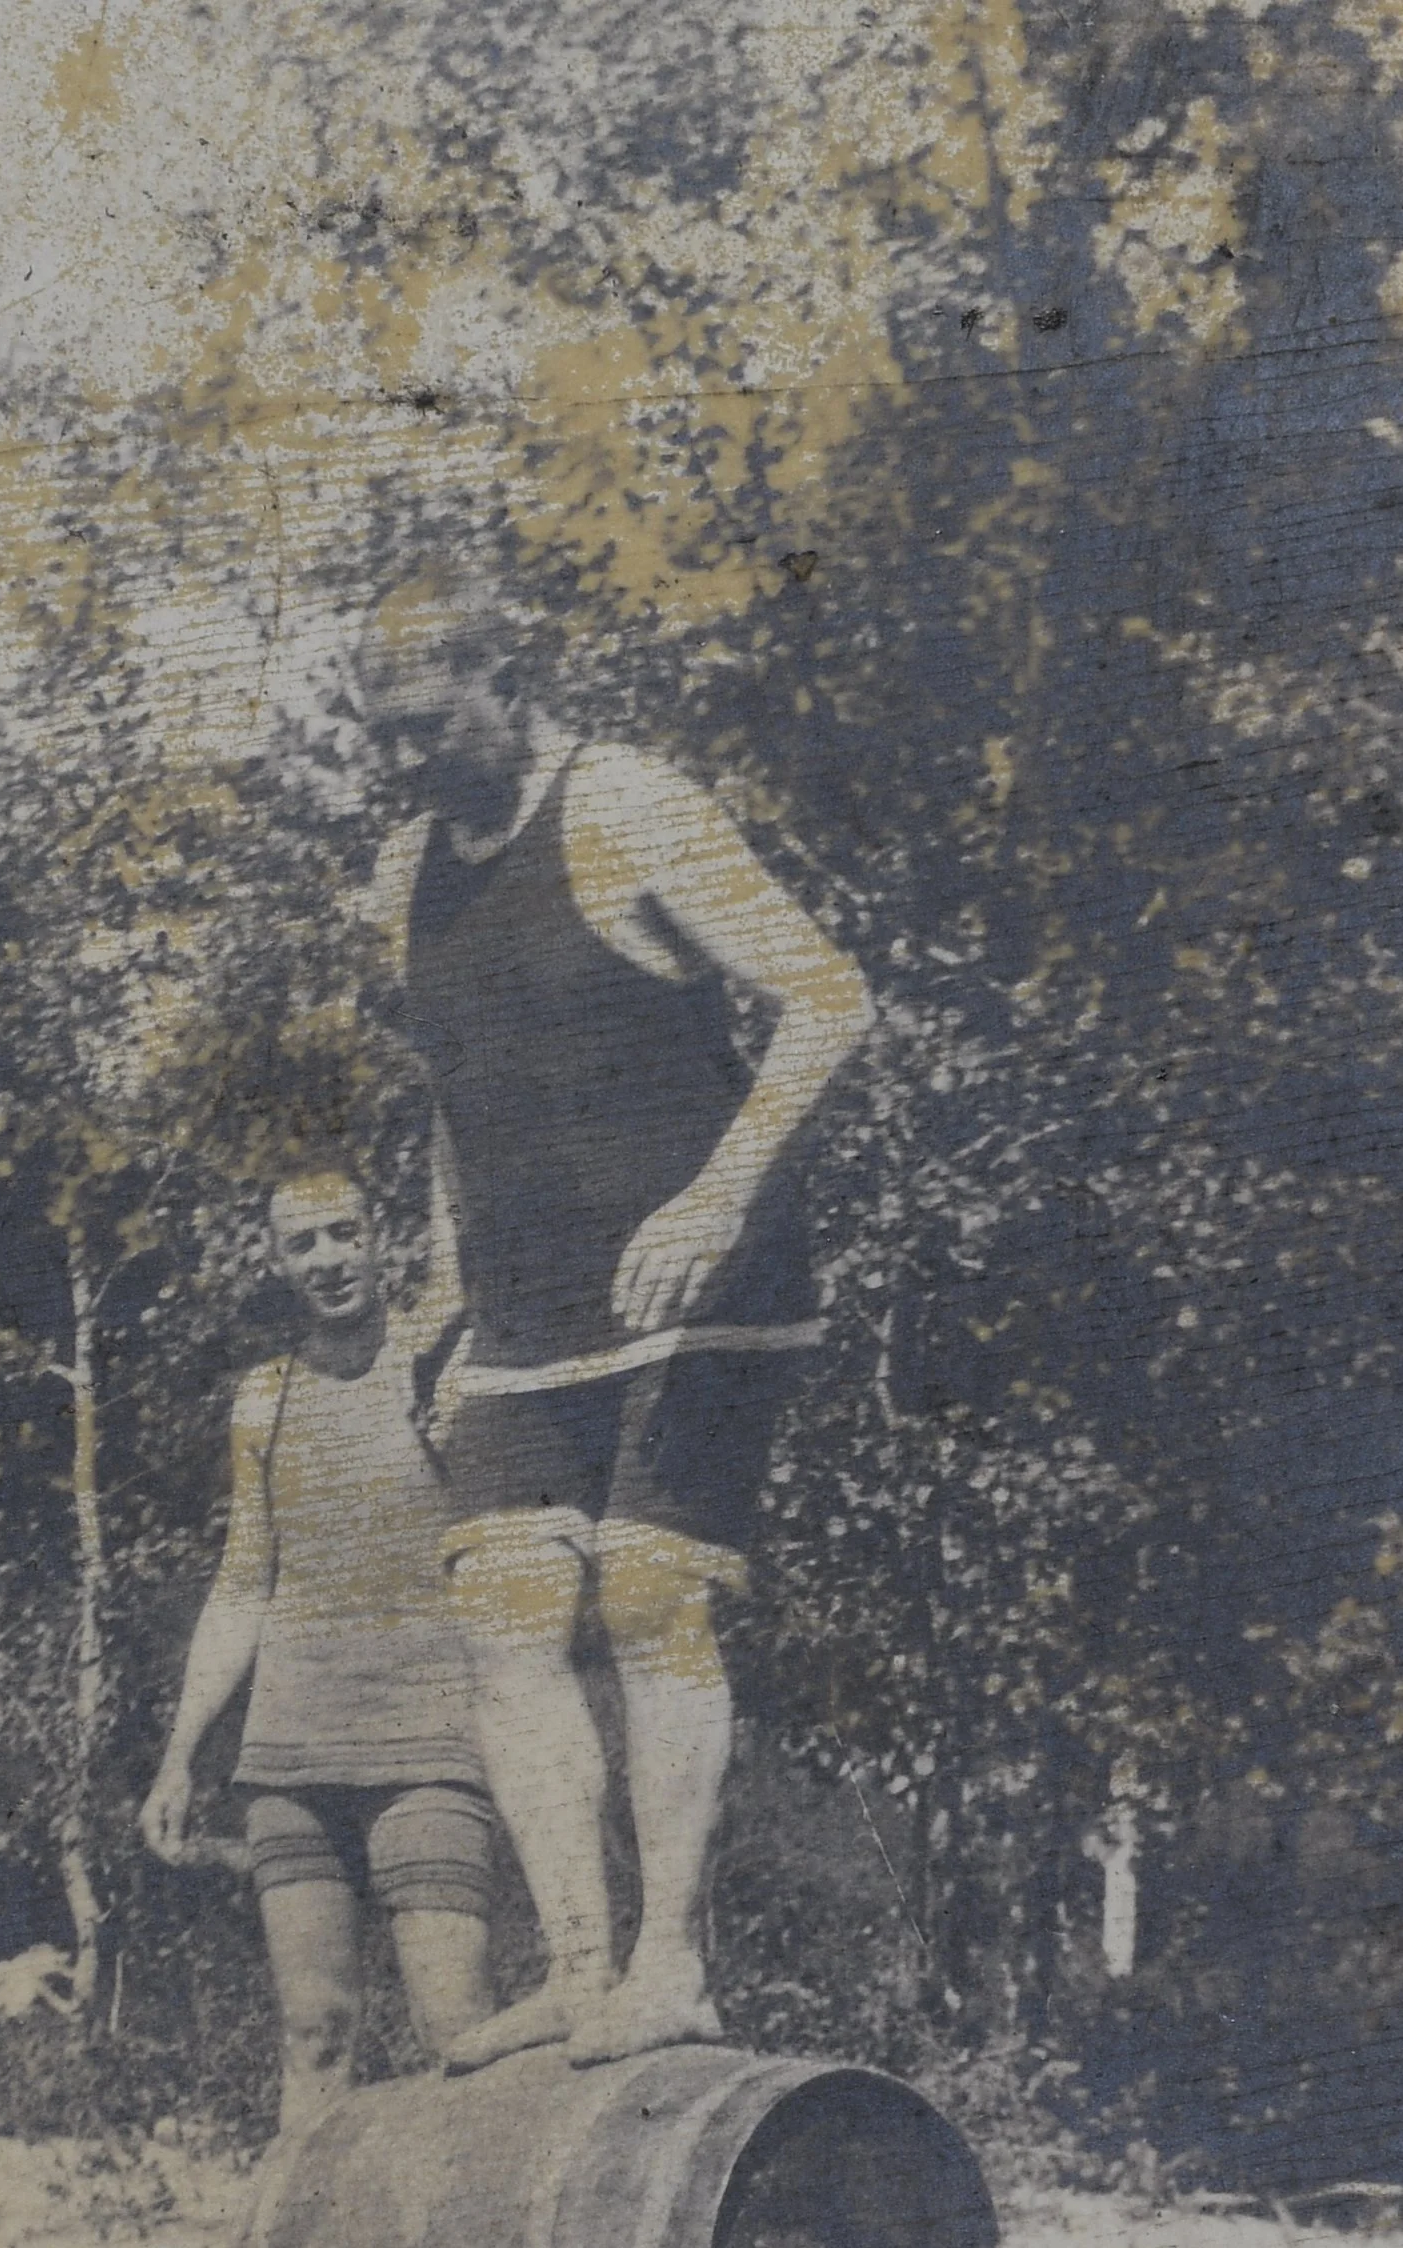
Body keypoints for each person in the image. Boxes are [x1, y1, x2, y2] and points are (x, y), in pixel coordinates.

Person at [356, 570, 874, 2071]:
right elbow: (461, 1097)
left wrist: (714, 1200)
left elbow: (827, 998)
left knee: (646, 1593)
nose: (396, 763)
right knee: (503, 1614)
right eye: (377, 738)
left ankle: (671, 1964)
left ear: (504, 679)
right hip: (524, 1305)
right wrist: (442, 1285)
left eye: (422, 728)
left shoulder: (629, 804)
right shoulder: (404, 875)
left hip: (700, 1283)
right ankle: (578, 1967)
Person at [140, 1159, 495, 2132]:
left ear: (378, 1235)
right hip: (289, 1751)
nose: (327, 1258)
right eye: (301, 1242)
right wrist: (179, 1756)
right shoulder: (263, 1399)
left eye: (343, 1232)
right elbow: (241, 1582)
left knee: (458, 2029)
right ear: (276, 1261)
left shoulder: (442, 1363)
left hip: (430, 1738)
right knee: (313, 2032)